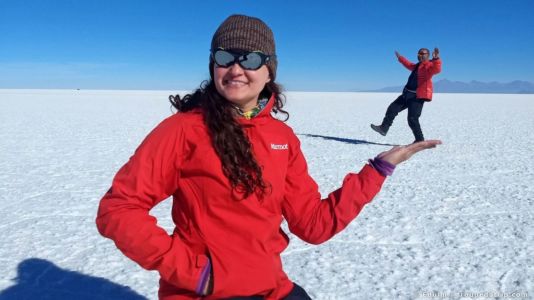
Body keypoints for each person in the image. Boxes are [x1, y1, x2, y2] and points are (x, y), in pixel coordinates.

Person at [96, 15, 442, 300]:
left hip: (270, 288)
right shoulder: (184, 129)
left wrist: (379, 169)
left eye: (249, 58)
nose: (235, 68)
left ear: (269, 70)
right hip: (202, 292)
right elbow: (119, 208)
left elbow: (313, 225)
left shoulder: (281, 138)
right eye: (223, 57)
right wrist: (192, 272)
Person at [371, 48, 442, 142]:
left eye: (422, 53)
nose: (419, 55)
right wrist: (400, 58)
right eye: (418, 53)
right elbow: (408, 64)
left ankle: (420, 140)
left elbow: (437, 69)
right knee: (392, 108)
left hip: (417, 97)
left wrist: (436, 59)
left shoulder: (429, 66)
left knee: (412, 119)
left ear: (428, 55)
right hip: (406, 94)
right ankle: (384, 128)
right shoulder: (417, 66)